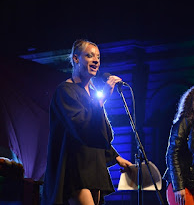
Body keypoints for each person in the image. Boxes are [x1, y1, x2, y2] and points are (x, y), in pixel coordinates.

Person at [42, 39, 132, 205]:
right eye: (89, 56)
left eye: (98, 57)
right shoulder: (65, 91)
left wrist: (116, 157)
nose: (96, 60)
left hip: (94, 167)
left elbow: (99, 132)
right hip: (76, 167)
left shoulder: (93, 92)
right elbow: (81, 126)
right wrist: (102, 98)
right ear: (76, 59)